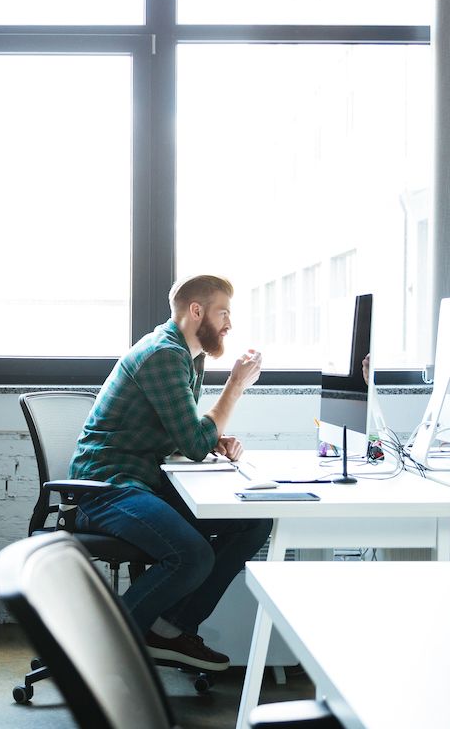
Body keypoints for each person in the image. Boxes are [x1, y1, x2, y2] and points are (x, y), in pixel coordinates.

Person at [68, 274, 271, 672]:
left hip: (140, 480)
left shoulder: (186, 356)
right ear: (197, 311)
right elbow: (193, 445)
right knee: (190, 554)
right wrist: (235, 386)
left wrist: (214, 438)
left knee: (252, 521)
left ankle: (167, 628)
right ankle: (104, 646)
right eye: (223, 313)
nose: (229, 324)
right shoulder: (163, 353)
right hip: (105, 488)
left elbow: (185, 436)